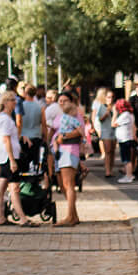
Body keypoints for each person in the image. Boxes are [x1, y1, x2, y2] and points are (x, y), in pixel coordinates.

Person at [0, 91, 29, 225]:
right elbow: (6, 139)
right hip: (9, 157)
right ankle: (23, 218)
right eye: (13, 100)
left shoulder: (5, 118)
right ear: (6, 102)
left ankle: (1, 217)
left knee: (1, 187)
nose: (15, 102)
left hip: (5, 157)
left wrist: (21, 137)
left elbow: (10, 137)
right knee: (14, 188)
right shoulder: (5, 119)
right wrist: (12, 160)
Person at [51, 91, 87, 226]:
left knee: (69, 184)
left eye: (65, 100)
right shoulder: (61, 115)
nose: (62, 103)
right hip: (60, 152)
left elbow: (80, 132)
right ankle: (73, 214)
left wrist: (64, 137)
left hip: (69, 150)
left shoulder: (75, 115)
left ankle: (69, 217)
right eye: (60, 101)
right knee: (63, 185)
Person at [18, 85, 46, 170]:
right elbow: (44, 124)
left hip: (23, 136)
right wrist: (45, 137)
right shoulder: (40, 107)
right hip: (36, 136)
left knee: (23, 160)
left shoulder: (20, 106)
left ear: (25, 93)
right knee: (35, 161)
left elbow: (18, 121)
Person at [112, 98, 137, 183]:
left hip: (124, 139)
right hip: (127, 138)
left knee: (126, 159)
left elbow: (113, 124)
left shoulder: (124, 115)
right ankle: (128, 174)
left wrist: (114, 114)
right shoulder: (130, 114)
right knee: (127, 158)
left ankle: (128, 175)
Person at [92, 88, 115, 164]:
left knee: (103, 138)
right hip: (98, 122)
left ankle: (105, 153)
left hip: (105, 124)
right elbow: (94, 114)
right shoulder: (97, 102)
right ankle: (104, 153)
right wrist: (93, 124)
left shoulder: (106, 103)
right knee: (102, 138)